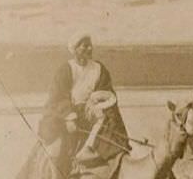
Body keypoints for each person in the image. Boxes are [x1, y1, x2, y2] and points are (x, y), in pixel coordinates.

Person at [38, 31, 129, 165]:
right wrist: (69, 117)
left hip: (92, 111)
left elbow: (106, 91)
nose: (89, 49)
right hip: (69, 112)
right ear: (75, 49)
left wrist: (96, 104)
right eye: (84, 46)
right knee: (57, 147)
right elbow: (58, 95)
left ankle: (89, 148)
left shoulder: (98, 68)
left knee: (110, 127)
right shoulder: (66, 69)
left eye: (90, 45)